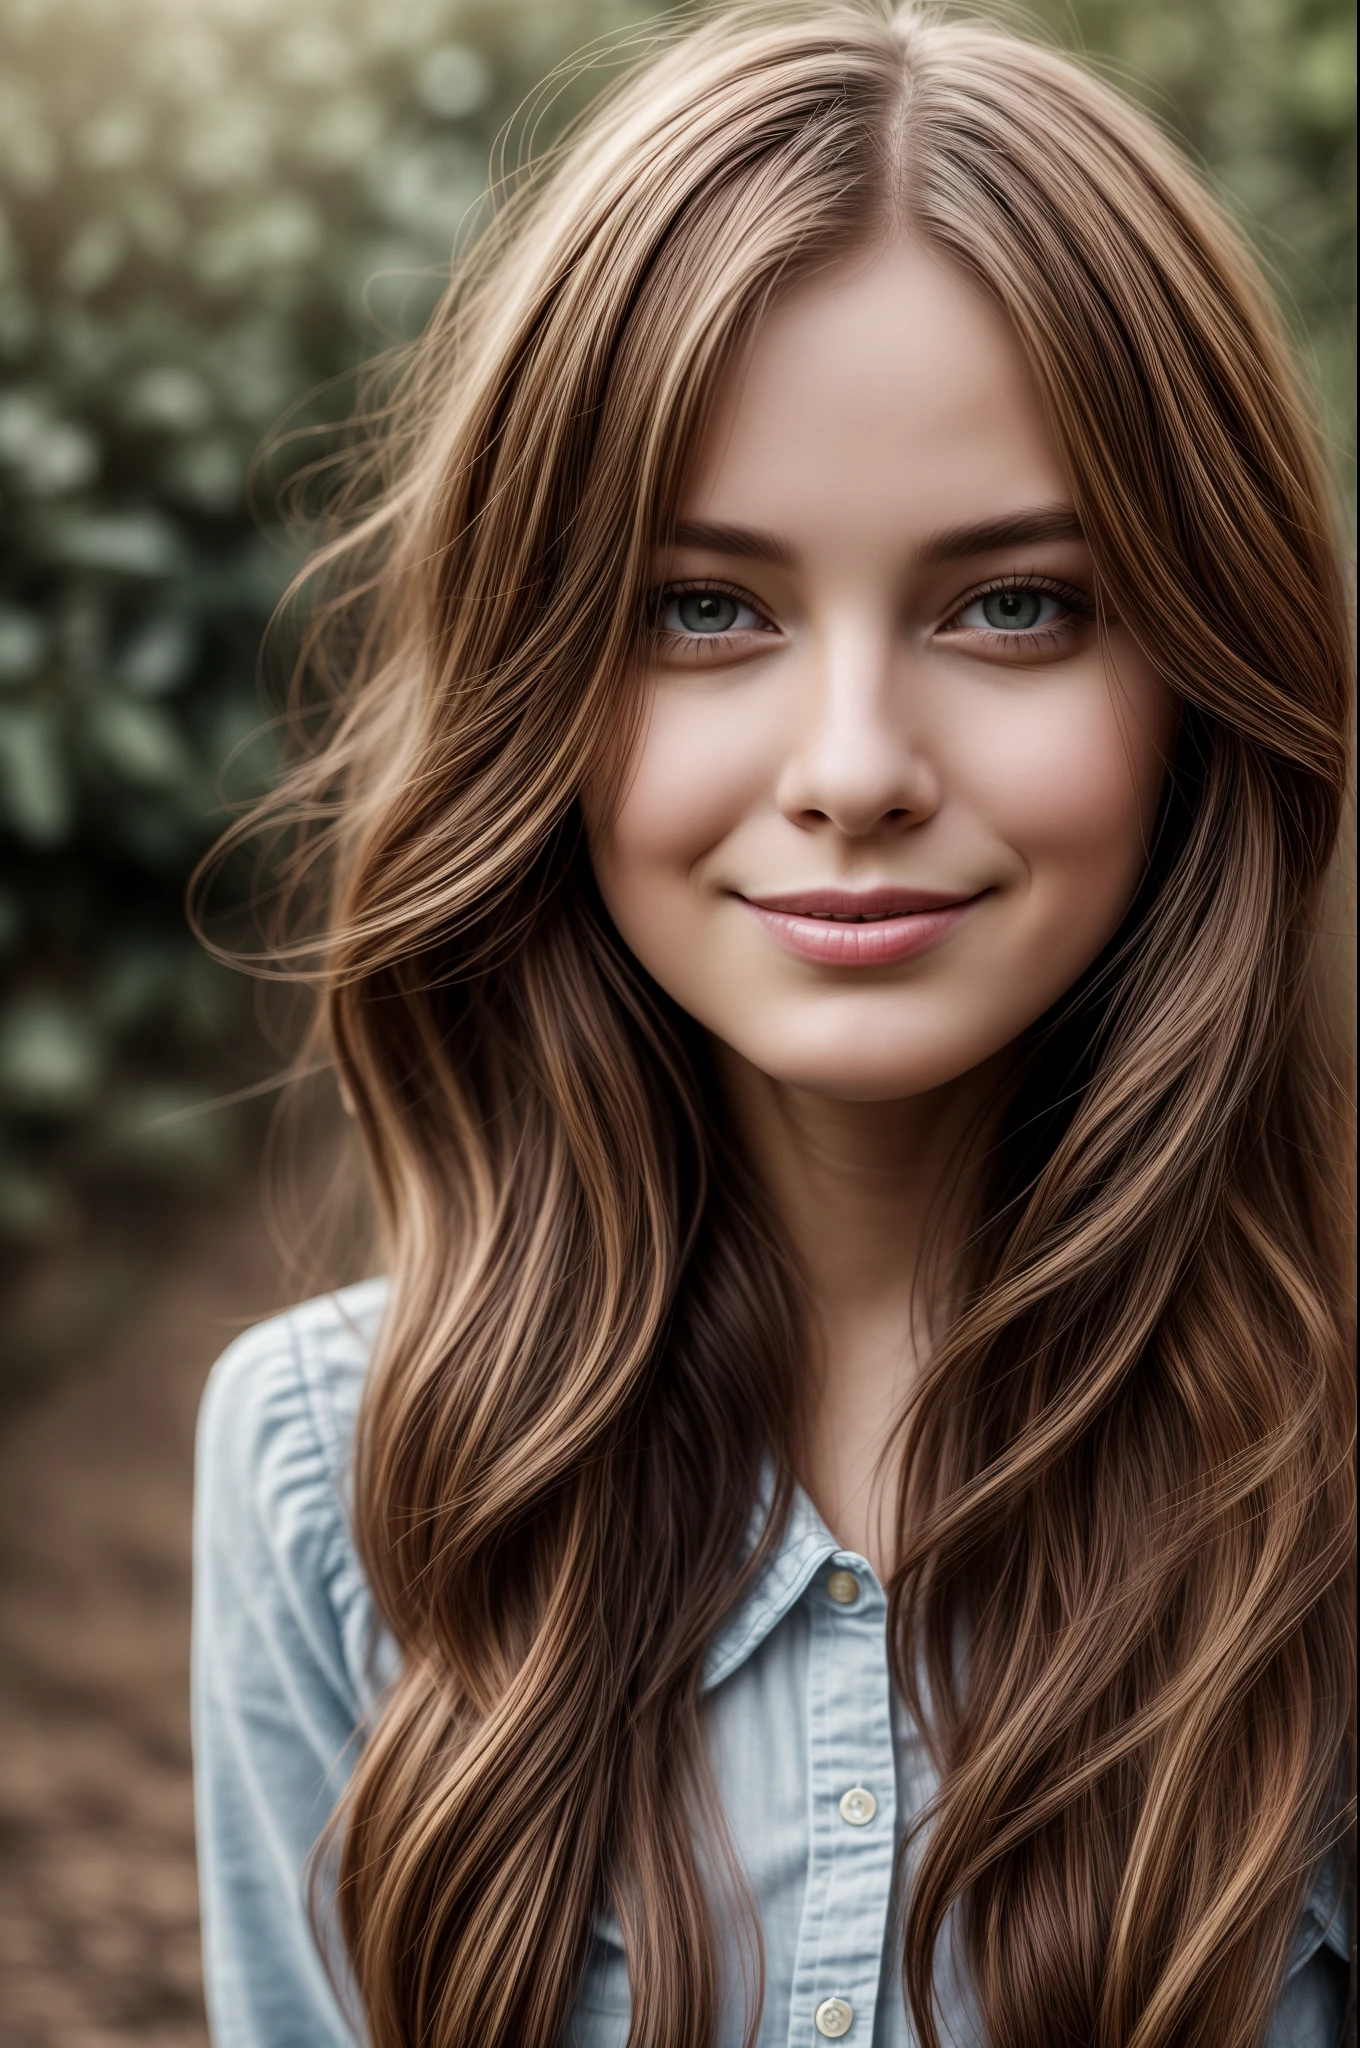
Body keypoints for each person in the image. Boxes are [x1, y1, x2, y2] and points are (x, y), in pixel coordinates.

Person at [190, 6, 1355, 2045]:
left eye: (1010, 604)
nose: (848, 767)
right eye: (699, 607)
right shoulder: (326, 1478)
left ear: (1202, 669)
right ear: (533, 680)